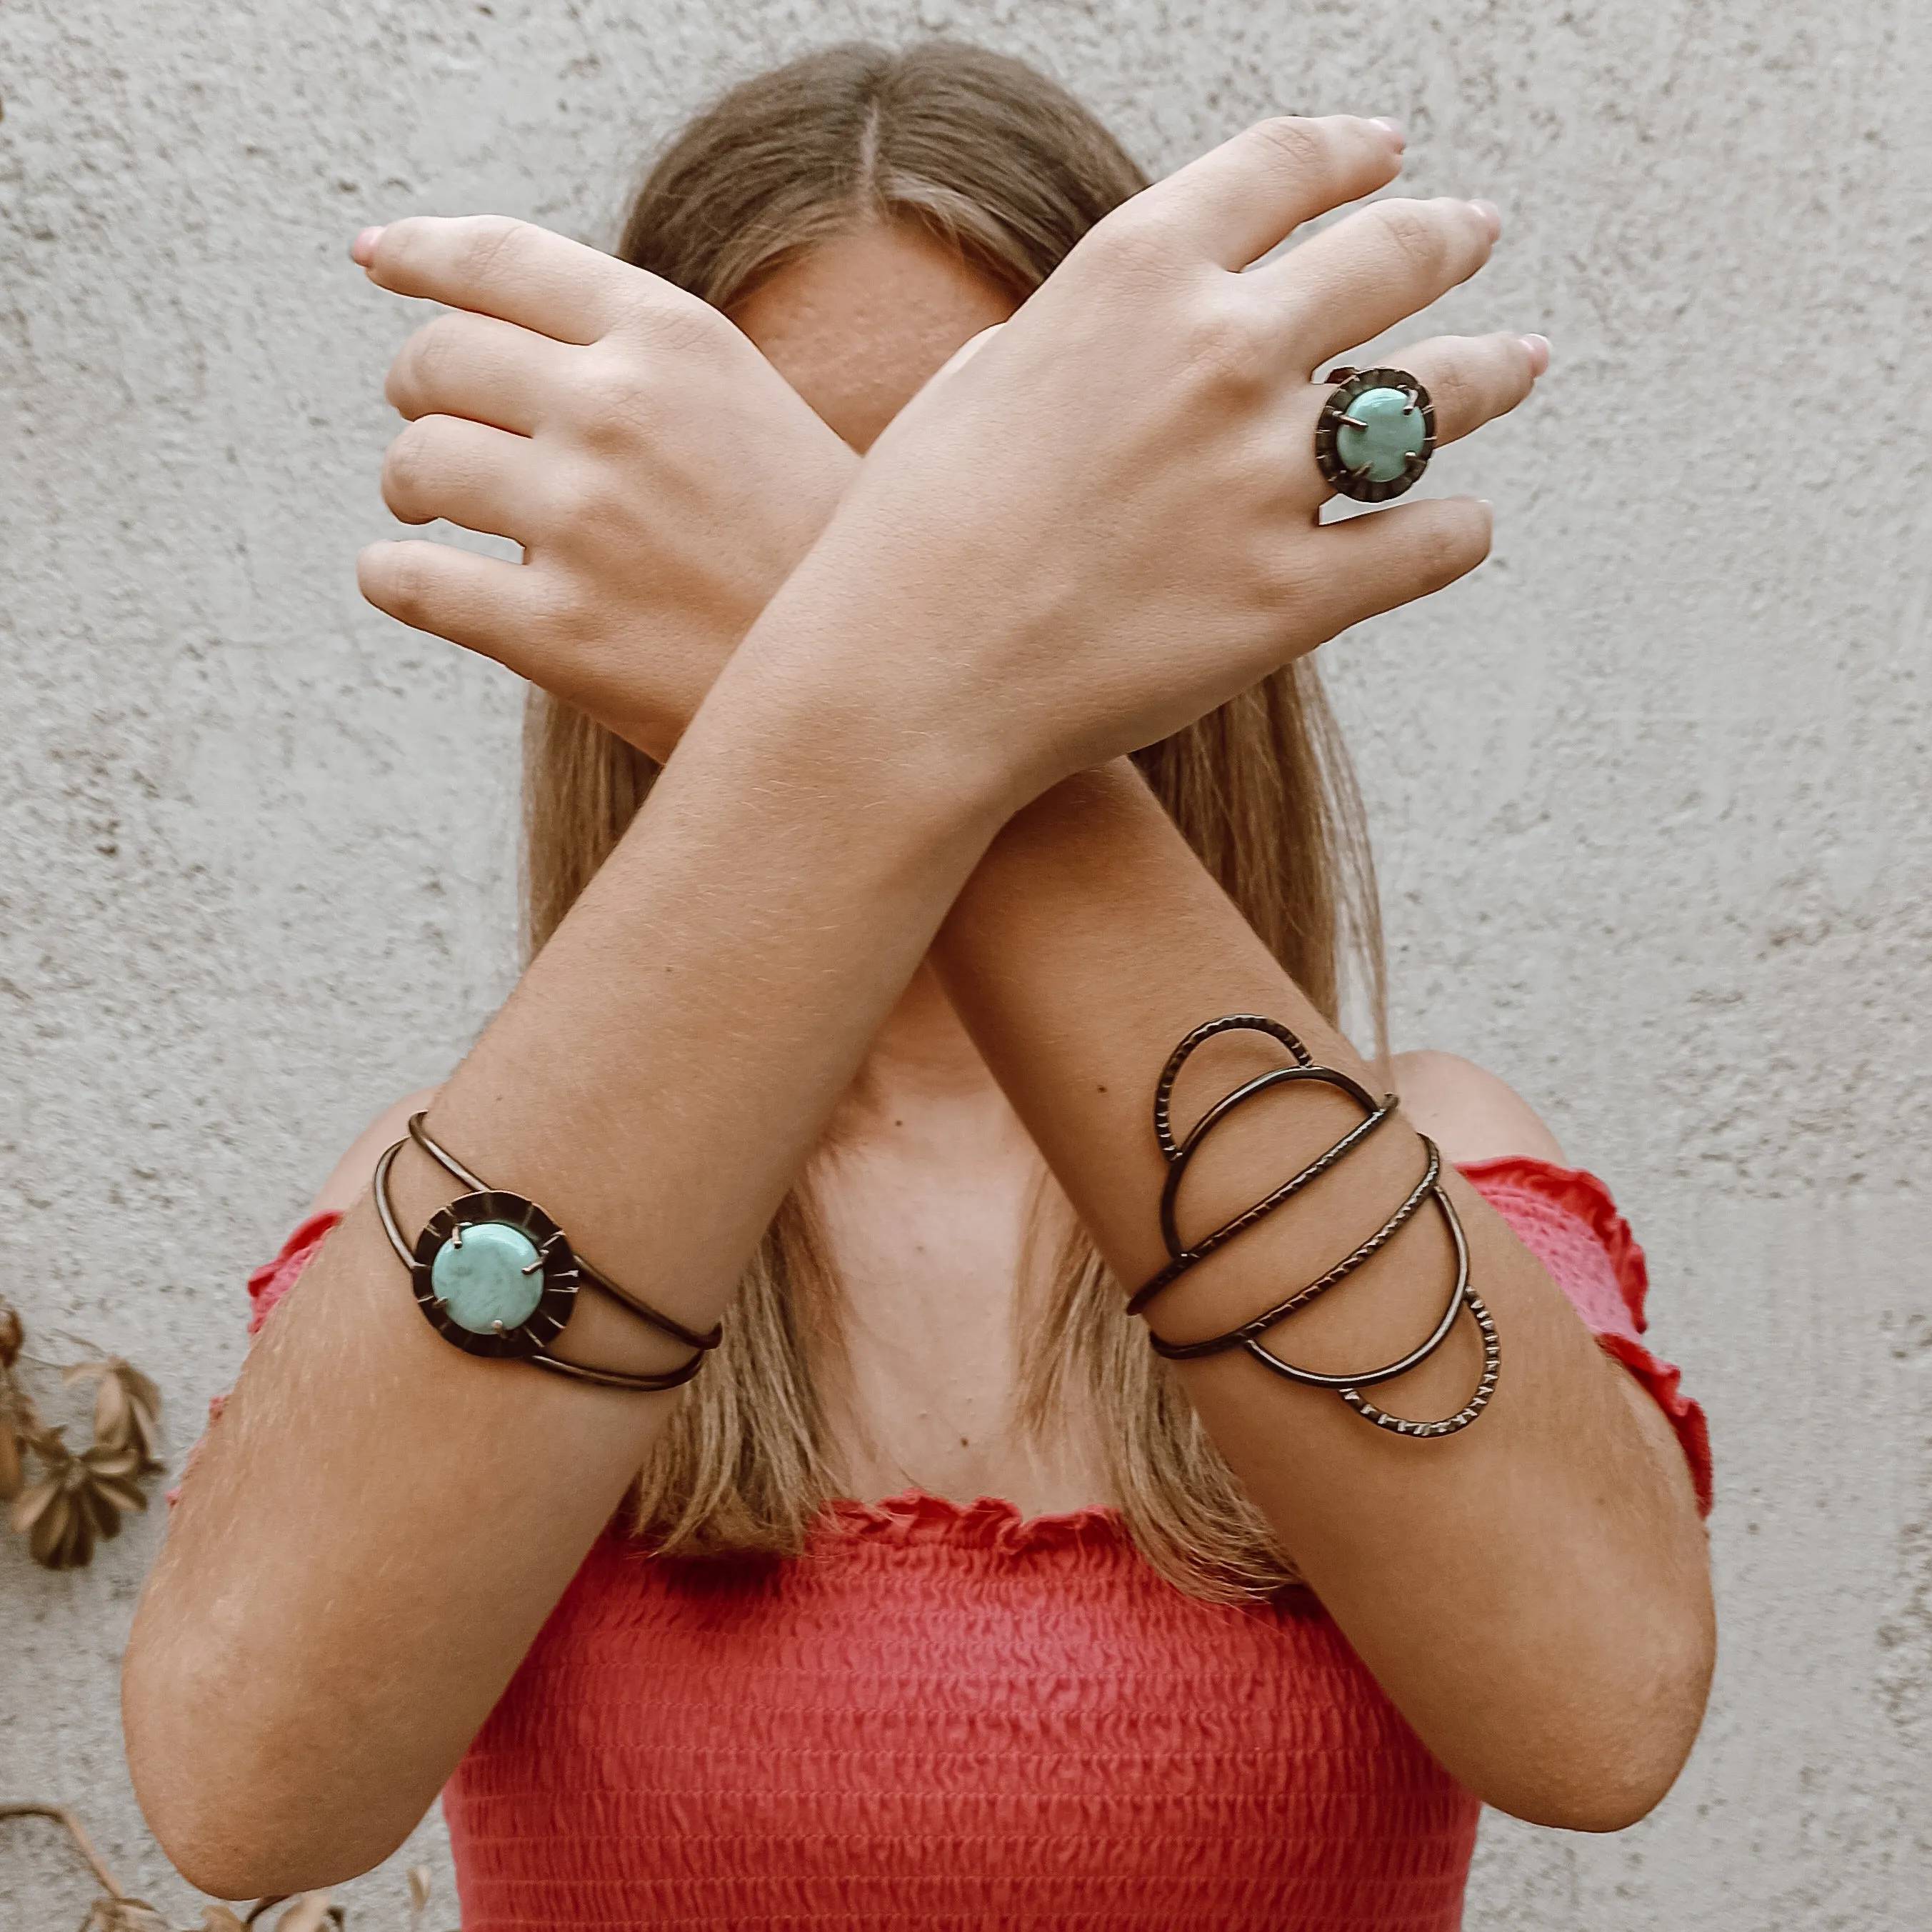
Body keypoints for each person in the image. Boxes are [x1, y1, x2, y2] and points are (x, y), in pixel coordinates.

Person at [125, 41, 1713, 1931]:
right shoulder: (479, 1174)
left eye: (989, 534)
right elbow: (249, 1794)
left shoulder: (1443, 1145)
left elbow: (1600, 1718)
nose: (909, 600)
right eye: (802, 533)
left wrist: (888, 700)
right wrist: (931, 698)